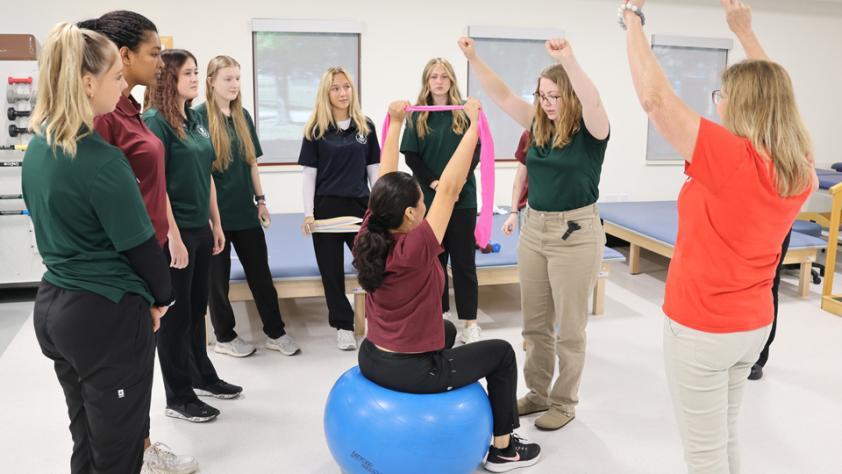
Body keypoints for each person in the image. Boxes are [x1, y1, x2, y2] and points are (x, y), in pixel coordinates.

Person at [621, 0, 816, 471]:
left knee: (705, 455)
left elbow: (656, 100)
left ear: (740, 103)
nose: (718, 102)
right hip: (751, 326)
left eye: (721, 94)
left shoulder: (733, 161)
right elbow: (781, 104)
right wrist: (744, 32)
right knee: (723, 439)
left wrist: (631, 17)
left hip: (703, 329)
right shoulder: (797, 169)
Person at [353, 98, 541, 472]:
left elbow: (385, 179)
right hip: (413, 371)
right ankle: (503, 450)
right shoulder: (416, 247)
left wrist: (394, 122)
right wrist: (472, 126)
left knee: (448, 328)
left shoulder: (368, 233)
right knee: (502, 353)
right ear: (409, 214)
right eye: (422, 203)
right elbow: (451, 188)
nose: (427, 206)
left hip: (372, 356)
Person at [22, 22, 174, 473]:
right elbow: (142, 248)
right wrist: (161, 298)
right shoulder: (102, 161)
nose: (123, 84)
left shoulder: (39, 148)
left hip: (54, 307)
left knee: (86, 433)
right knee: (119, 451)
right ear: (89, 83)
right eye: (116, 77)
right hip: (103, 316)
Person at [459, 35, 610, 431]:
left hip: (575, 233)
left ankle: (564, 401)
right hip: (534, 228)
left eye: (555, 96)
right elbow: (503, 95)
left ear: (570, 96)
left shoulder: (592, 132)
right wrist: (473, 58)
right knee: (535, 325)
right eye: (542, 95)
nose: (546, 102)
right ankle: (539, 392)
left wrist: (570, 60)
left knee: (570, 328)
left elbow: (592, 100)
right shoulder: (538, 127)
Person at [82, 10, 198, 472]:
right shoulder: (104, 116)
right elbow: (106, 197)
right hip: (125, 263)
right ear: (123, 55)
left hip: (146, 253)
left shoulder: (129, 106)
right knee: (122, 382)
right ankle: (138, 452)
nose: (160, 60)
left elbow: (150, 181)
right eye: (153, 53)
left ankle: (144, 446)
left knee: (137, 373)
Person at [144, 48, 243, 423]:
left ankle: (203, 375)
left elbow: (208, 175)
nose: (193, 78)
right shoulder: (155, 121)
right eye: (187, 73)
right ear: (168, 77)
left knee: (197, 310)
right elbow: (156, 184)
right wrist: (173, 235)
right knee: (175, 316)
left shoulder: (195, 120)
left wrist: (216, 224)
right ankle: (178, 396)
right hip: (177, 232)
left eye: (195, 72)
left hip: (201, 228)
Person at [197, 55, 300, 357]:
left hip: (245, 212)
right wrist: (213, 219)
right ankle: (225, 337)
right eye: (227, 78)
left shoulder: (242, 115)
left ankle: (275, 332)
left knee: (261, 275)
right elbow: (201, 171)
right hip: (215, 215)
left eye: (237, 78)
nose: (234, 84)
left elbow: (252, 162)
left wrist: (262, 200)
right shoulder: (198, 118)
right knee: (218, 280)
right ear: (211, 81)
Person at [298, 66, 380, 350]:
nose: (343, 92)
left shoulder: (365, 126)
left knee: (371, 267)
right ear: (326, 92)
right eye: (336, 88)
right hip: (326, 208)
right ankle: (343, 325)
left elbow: (374, 170)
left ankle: (379, 322)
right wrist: (309, 213)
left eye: (346, 86)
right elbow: (309, 174)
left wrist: (379, 208)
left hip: (360, 207)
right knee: (330, 272)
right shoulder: (315, 129)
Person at [400, 58, 482, 344]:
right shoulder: (417, 115)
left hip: (463, 199)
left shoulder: (465, 113)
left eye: (444, 76)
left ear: (451, 80)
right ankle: (439, 316)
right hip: (430, 201)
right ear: (427, 80)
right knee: (435, 262)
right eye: (434, 76)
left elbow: (474, 152)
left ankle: (470, 323)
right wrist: (437, 183)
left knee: (464, 263)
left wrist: (455, 184)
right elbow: (411, 156)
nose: (439, 81)